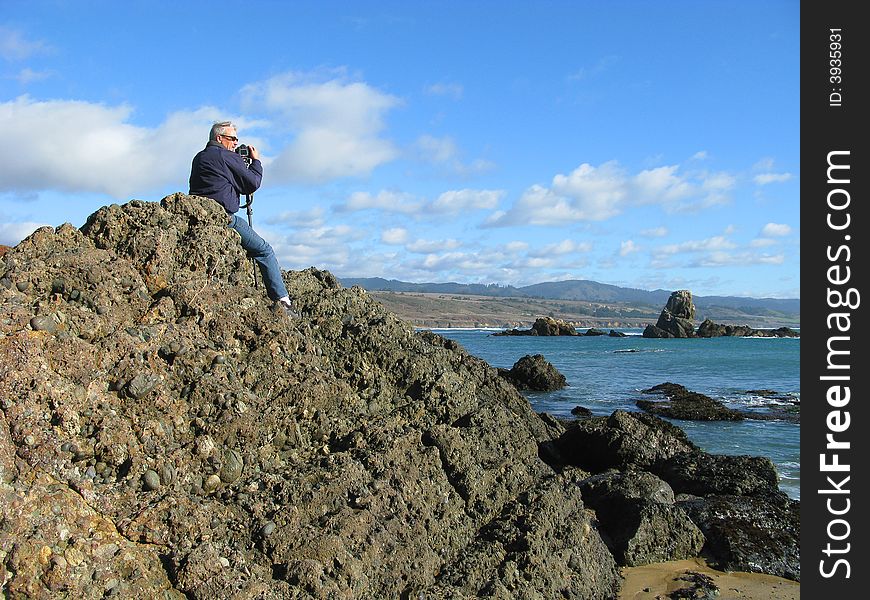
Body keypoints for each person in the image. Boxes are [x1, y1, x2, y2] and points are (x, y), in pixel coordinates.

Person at [189, 121, 297, 317]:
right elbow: (251, 183)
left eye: (237, 139)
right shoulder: (225, 155)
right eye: (232, 139)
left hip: (199, 216)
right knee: (264, 250)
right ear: (219, 138)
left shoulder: (199, 157)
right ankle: (283, 301)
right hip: (224, 218)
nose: (235, 143)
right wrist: (255, 162)